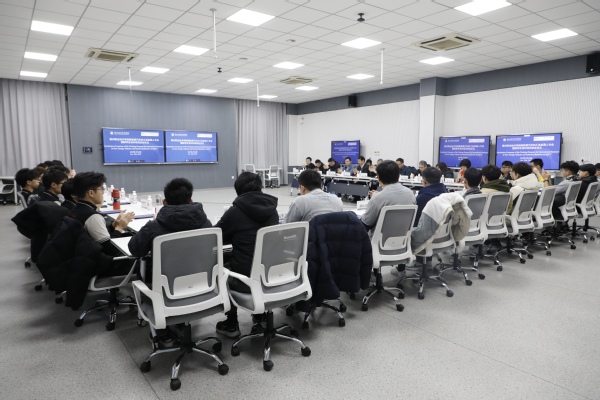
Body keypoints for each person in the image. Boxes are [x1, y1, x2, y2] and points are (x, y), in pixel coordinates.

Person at [215, 172, 279, 338]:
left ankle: (231, 324)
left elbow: (216, 237)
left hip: (246, 282)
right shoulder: (272, 210)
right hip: (271, 277)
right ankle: (260, 318)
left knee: (224, 272)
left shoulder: (234, 212)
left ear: (238, 191)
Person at [128, 178, 212, 259]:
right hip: (201, 268)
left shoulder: (153, 227)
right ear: (190, 201)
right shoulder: (206, 224)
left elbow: (135, 250)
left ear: (164, 202)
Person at [71, 171, 136, 275]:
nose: (102, 193)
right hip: (102, 266)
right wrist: (119, 228)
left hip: (83, 260)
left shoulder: (77, 208)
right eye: (101, 189)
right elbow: (110, 249)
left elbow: (96, 235)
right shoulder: (92, 216)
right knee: (146, 258)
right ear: (91, 193)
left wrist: (113, 226)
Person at [361, 160, 415, 234]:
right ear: (399, 176)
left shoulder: (378, 198)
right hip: (403, 238)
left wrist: (376, 197)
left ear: (378, 178)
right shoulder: (410, 194)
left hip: (379, 240)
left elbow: (366, 224)